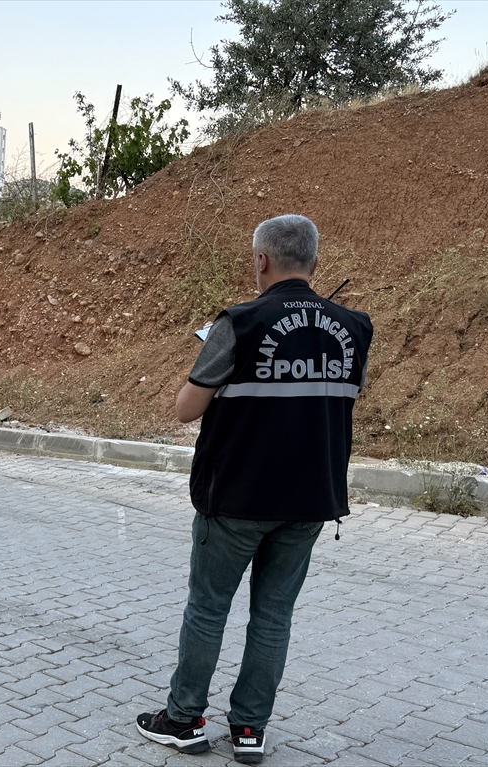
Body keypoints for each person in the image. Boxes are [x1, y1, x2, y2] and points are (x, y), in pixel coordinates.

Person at [136, 215, 373, 764]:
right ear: (314, 263)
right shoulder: (355, 327)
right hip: (311, 498)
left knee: (208, 609)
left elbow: (185, 408)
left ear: (261, 261)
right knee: (273, 616)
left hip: (237, 498)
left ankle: (184, 718)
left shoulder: (238, 323)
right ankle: (249, 730)